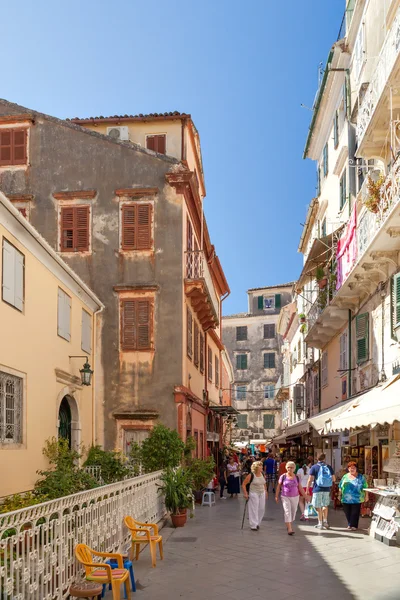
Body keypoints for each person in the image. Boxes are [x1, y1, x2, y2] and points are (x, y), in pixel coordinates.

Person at [275, 461, 308, 535]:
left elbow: (300, 487)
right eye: (288, 467)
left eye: (292, 467)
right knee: (287, 511)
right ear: (286, 468)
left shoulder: (297, 477)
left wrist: (305, 496)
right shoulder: (283, 476)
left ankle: (289, 523)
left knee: (293, 512)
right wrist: (276, 496)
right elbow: (278, 487)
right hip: (285, 496)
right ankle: (289, 528)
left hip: (295, 497)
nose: (290, 469)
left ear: (294, 468)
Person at [307, 453, 335, 530]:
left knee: (317, 506)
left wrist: (307, 489)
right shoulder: (328, 467)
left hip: (317, 489)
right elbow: (334, 479)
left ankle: (320, 523)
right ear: (324, 458)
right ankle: (325, 521)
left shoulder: (314, 467)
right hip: (327, 489)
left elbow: (310, 479)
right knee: (325, 505)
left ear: (317, 458)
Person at [339, 461, 369, 530]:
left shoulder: (361, 477)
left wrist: (366, 495)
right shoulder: (345, 476)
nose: (352, 469)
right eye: (350, 468)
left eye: (353, 468)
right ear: (348, 469)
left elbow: (366, 486)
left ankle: (354, 526)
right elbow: (340, 486)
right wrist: (339, 495)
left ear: (356, 469)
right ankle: (350, 524)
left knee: (355, 512)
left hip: (357, 498)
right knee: (347, 512)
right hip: (346, 498)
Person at [242, 461, 268, 530]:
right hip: (254, 493)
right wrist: (245, 493)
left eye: (262, 466)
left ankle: (258, 523)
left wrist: (266, 491)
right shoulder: (251, 475)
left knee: (262, 509)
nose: (262, 467)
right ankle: (253, 525)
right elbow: (244, 484)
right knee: (254, 509)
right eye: (260, 466)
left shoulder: (262, 474)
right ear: (256, 467)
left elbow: (264, 483)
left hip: (262, 492)